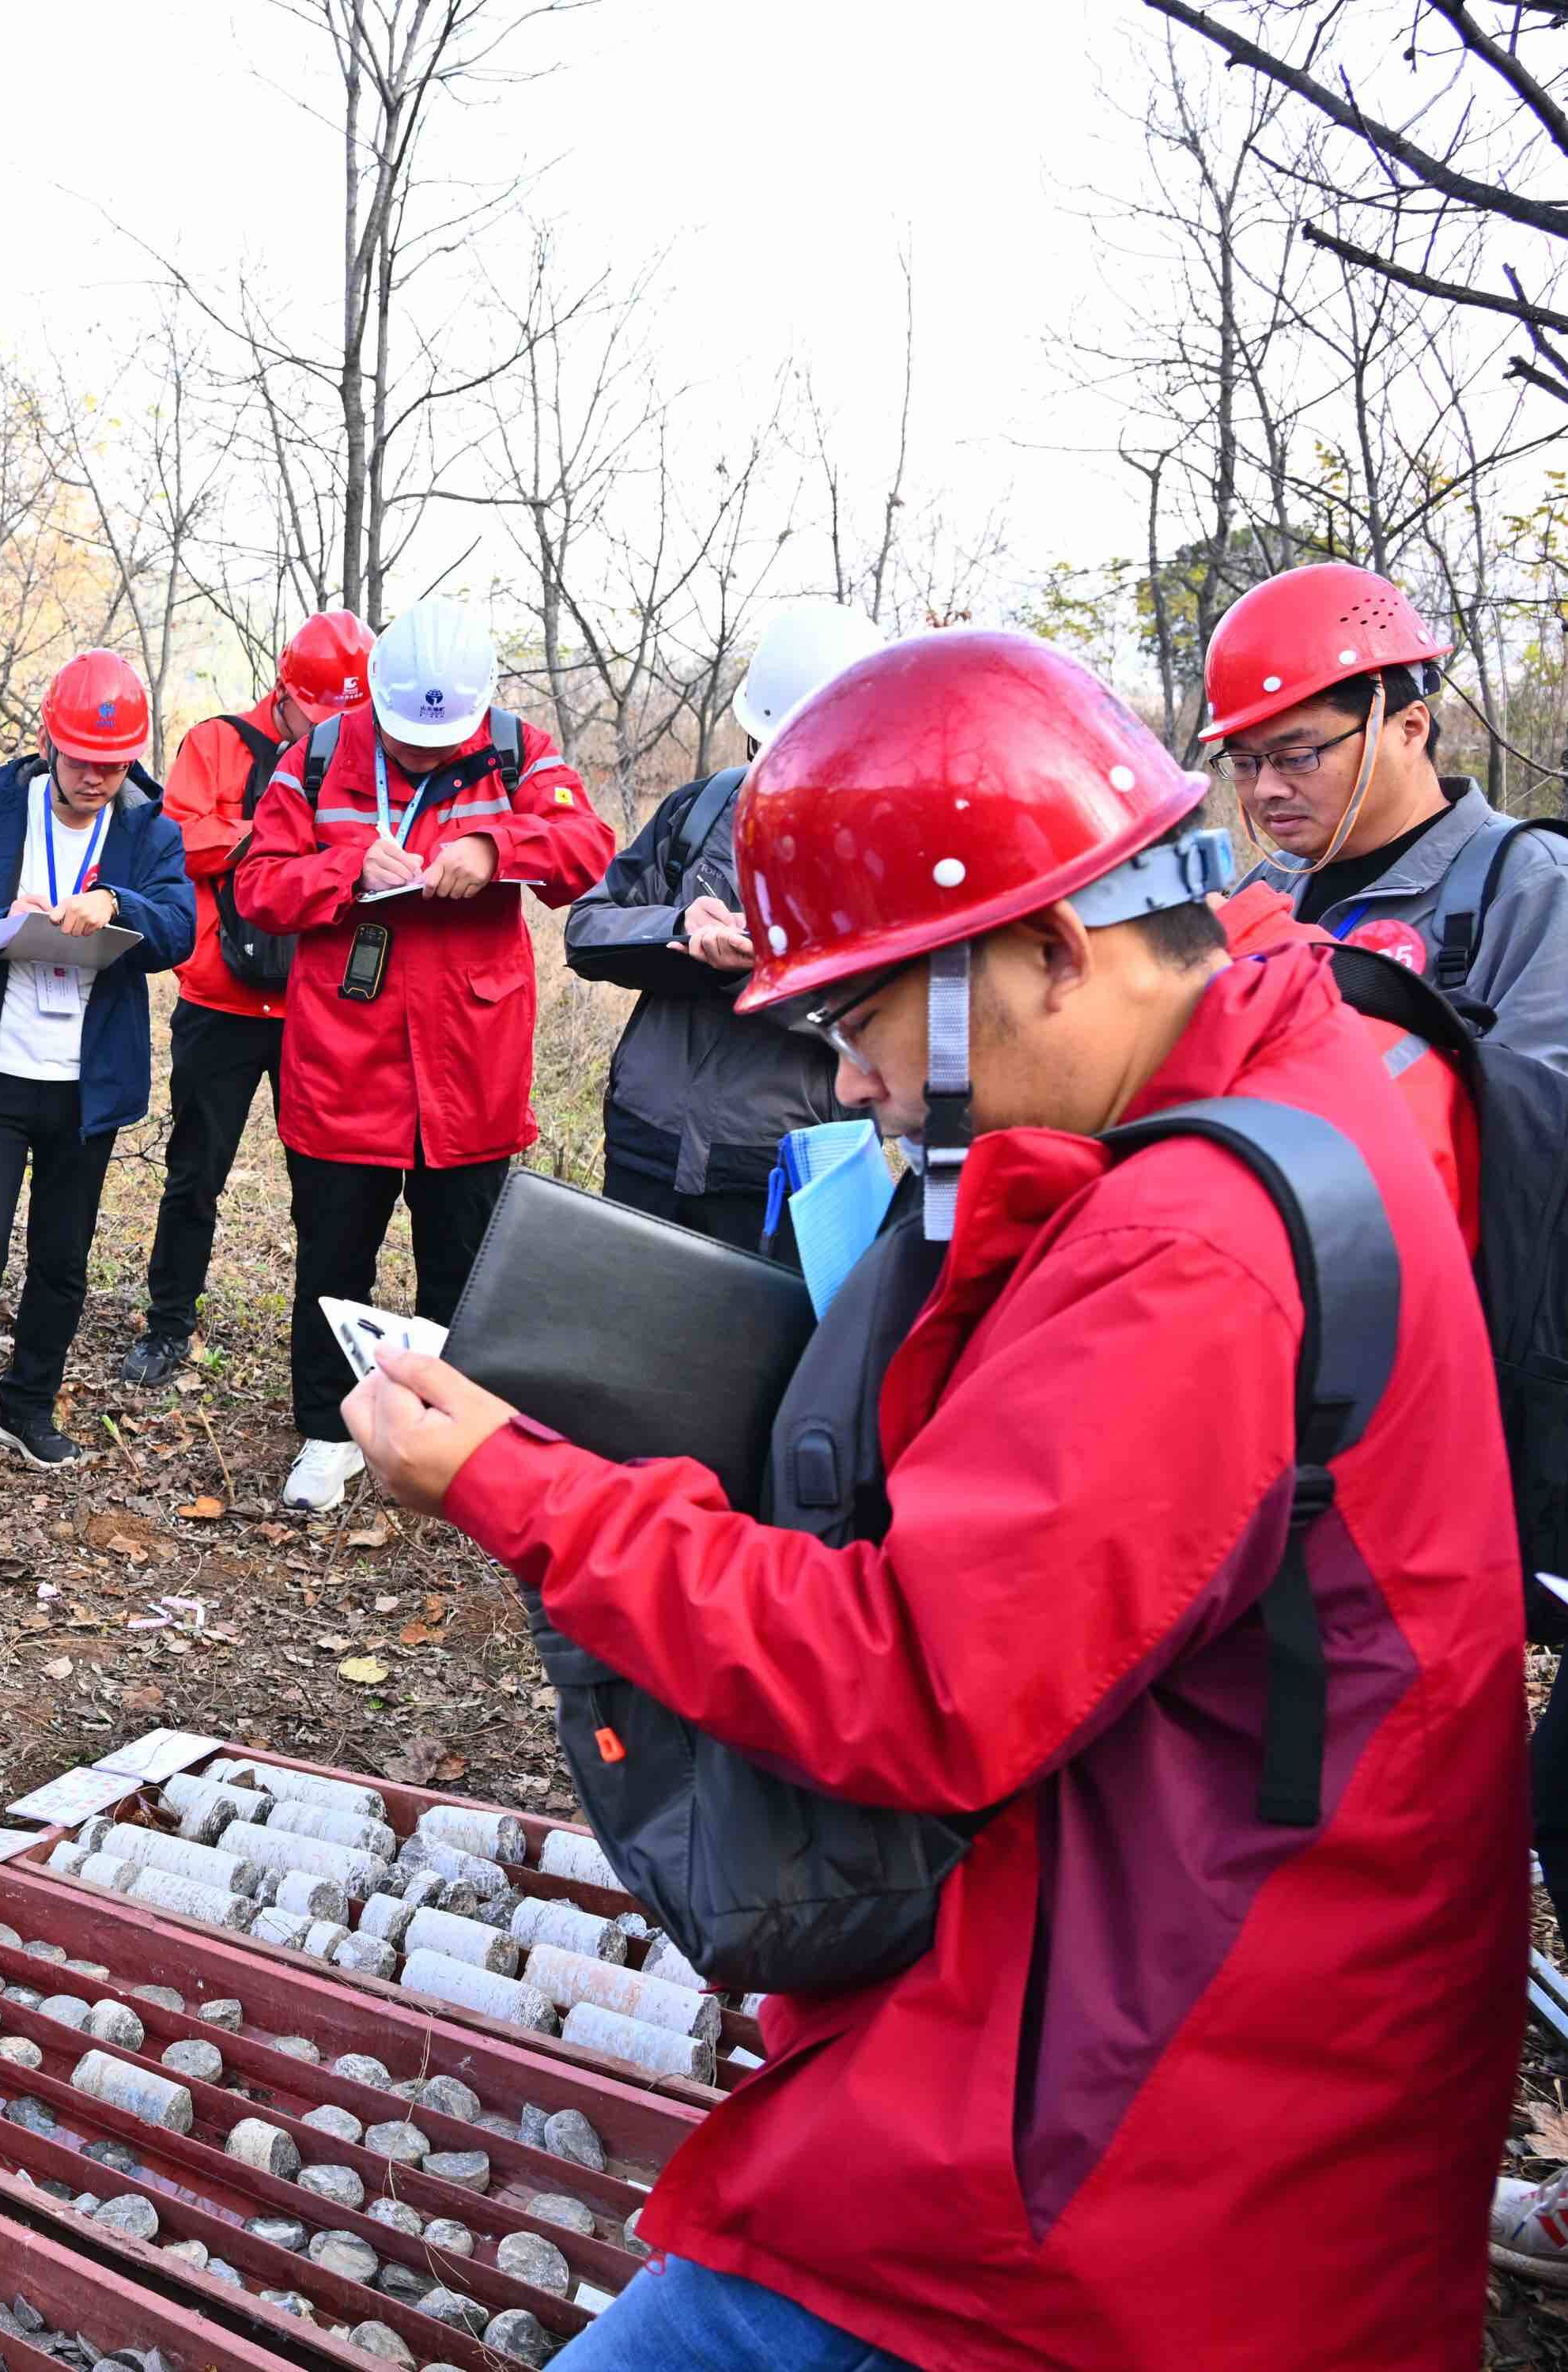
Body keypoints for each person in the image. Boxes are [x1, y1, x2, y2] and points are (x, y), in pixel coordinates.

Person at [343, 629, 1521, 2372]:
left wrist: (518, 1484)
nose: (849, 1076)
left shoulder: (1193, 1248)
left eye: (867, 1010)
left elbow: (903, 1684)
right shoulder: (1289, 1057)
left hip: (1126, 2171)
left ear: (1051, 949)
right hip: (1210, 2027)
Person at [233, 595, 614, 1513]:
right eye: (409, 743)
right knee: (333, 1258)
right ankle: (329, 1432)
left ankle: (460, 1446)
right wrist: (343, 869)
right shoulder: (316, 756)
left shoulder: (518, 750)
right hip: (343, 1061)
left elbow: (587, 847)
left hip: (471, 1062)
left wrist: (495, 845)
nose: (427, 757)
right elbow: (255, 884)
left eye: (442, 743)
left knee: (466, 1262)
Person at [0, 648, 195, 1510]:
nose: (100, 777)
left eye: (115, 763)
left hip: (85, 1083)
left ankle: (26, 1407)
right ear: (48, 742)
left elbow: (180, 931)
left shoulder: (149, 829)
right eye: (84, 760)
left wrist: (119, 905)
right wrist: (4, 919)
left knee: (62, 1260)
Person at [564, 599, 879, 1249]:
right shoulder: (699, 810)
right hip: (645, 1140)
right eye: (768, 745)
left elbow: (898, 1016)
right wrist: (680, 935)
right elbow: (588, 930)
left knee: (763, 1350)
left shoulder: (890, 850)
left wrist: (768, 970)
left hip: (785, 1168)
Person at [115, 612, 370, 1387]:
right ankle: (168, 1327)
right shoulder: (217, 743)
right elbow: (174, 841)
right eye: (318, 714)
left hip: (318, 1007)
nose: (327, 731)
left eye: (343, 718)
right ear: (284, 692)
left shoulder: (363, 751)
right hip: (220, 1001)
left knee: (330, 1190)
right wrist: (275, 833)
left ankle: (330, 1346)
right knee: (195, 1174)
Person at [1204, 559, 1568, 1065]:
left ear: (1409, 729)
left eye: (1297, 756)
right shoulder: (1268, 892)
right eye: (1243, 763)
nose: (1265, 788)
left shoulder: (1533, 886)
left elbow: (1542, 1119)